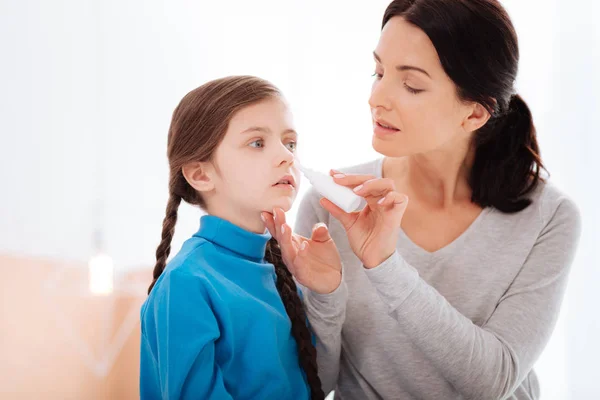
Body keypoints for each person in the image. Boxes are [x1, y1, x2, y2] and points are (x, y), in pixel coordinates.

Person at [265, 1, 582, 399]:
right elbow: (316, 384)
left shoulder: (550, 218)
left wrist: (384, 265)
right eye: (378, 72)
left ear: (474, 114)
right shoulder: (331, 209)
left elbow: (494, 381)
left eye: (411, 85)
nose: (376, 97)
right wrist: (325, 298)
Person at [139, 75, 340, 399]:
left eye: (290, 143)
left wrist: (327, 293)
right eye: (257, 143)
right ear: (200, 174)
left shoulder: (285, 272)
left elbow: (319, 384)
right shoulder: (187, 283)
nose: (287, 156)